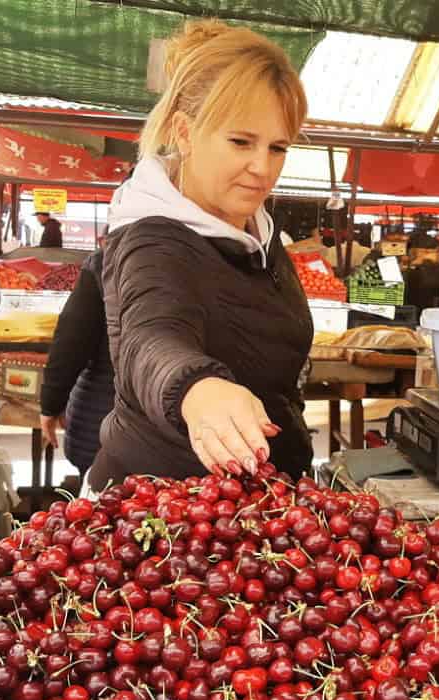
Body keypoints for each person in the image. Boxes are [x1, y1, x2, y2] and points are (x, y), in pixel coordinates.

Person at [89, 19, 313, 490]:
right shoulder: (154, 239)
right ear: (185, 133)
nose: (262, 167)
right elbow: (149, 338)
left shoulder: (258, 234)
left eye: (278, 148)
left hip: (252, 509)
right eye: (241, 142)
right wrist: (196, 389)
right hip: (161, 515)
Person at [40, 250, 114, 480]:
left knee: (104, 506)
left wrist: (51, 405)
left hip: (104, 423)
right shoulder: (216, 256)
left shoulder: (108, 261)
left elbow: (71, 342)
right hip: (192, 434)